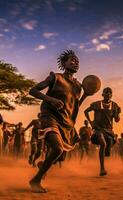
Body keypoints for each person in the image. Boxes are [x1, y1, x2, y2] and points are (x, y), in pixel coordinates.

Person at [28, 50, 90, 193]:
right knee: (57, 149)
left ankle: (44, 165)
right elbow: (33, 91)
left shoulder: (78, 86)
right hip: (50, 117)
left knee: (60, 157)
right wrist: (51, 99)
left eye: (78, 62)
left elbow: (74, 106)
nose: (76, 63)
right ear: (64, 63)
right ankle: (35, 180)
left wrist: (85, 95)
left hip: (66, 123)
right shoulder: (55, 77)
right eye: (72, 60)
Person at [84, 87, 121, 176]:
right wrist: (91, 121)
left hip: (109, 130)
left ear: (111, 95)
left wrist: (118, 113)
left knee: (107, 152)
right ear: (102, 94)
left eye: (110, 93)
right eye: (106, 92)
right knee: (103, 144)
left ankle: (107, 150)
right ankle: (102, 169)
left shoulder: (115, 105)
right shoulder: (96, 104)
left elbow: (117, 120)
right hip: (98, 129)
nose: (108, 94)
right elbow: (86, 111)